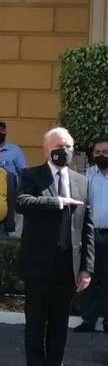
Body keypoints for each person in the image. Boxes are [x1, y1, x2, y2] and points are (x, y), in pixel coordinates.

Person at [17, 127, 94, 366]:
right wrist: (57, 202)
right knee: (36, 325)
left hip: (67, 266)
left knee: (60, 326)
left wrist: (87, 267)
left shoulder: (81, 181)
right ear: (47, 149)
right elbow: (22, 202)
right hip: (38, 265)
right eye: (61, 146)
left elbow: (88, 226)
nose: (66, 151)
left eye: (70, 146)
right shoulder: (31, 175)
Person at [74, 138, 108, 333]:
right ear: (92, 154)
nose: (102, 155)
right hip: (91, 235)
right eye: (98, 152)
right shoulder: (87, 176)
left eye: (105, 151)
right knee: (88, 278)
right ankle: (88, 320)